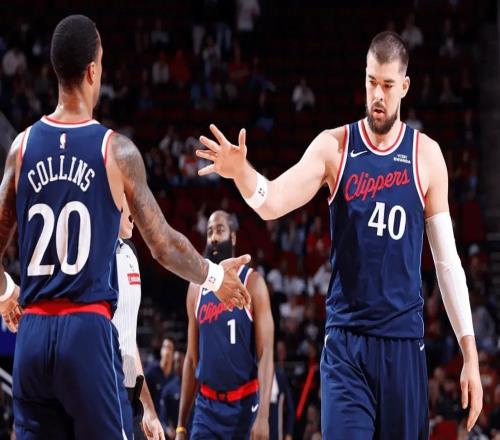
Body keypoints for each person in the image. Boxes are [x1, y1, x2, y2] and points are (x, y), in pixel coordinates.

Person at [197, 31, 483, 439]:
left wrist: (469, 353)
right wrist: (242, 173)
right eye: (371, 82)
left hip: (403, 342)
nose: (377, 95)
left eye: (387, 85)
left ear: (404, 86)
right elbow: (272, 201)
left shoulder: (426, 156)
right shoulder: (335, 147)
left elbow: (447, 262)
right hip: (347, 343)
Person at [0, 15, 250, 439]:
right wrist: (213, 277)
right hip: (86, 330)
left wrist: (7, 291)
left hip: (33, 333)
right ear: (93, 70)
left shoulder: (20, 149)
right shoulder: (114, 150)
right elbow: (163, 244)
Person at [175, 210, 274, 439]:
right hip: (206, 409)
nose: (214, 237)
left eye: (220, 230)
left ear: (233, 237)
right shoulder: (196, 289)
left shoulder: (253, 282)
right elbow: (191, 358)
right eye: (210, 232)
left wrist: (263, 416)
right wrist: (181, 425)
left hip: (244, 406)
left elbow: (266, 352)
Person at [112, 195, 164, 440]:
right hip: (102, 389)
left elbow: (128, 338)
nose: (134, 210)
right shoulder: (93, 256)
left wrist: (147, 409)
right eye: (128, 202)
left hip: (128, 390)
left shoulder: (130, 252)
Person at [145, 337, 176, 412]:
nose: (167, 351)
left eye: (169, 348)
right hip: (151, 414)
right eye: (164, 347)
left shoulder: (175, 377)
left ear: (174, 354)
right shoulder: (151, 371)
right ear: (161, 350)